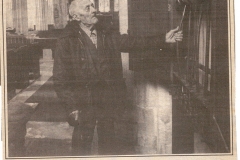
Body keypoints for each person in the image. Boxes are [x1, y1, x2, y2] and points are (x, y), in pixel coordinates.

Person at [53, 0, 183, 156]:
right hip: (84, 101)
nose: (94, 10)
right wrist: (72, 108)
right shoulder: (66, 40)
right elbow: (60, 79)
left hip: (107, 99)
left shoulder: (106, 33)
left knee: (109, 142)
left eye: (93, 5)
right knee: (82, 143)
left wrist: (163, 39)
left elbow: (132, 42)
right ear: (76, 16)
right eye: (88, 8)